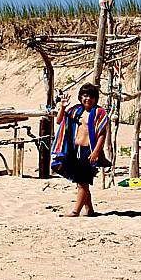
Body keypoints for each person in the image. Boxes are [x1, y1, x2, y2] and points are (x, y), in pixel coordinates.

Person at [51, 82, 109, 217]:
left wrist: (96, 152)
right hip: (74, 150)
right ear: (80, 97)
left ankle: (75, 211)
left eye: (90, 96)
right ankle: (89, 209)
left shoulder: (99, 113)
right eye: (84, 96)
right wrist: (62, 108)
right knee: (80, 182)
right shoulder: (76, 110)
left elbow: (102, 134)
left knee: (83, 182)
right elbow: (59, 121)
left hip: (88, 151)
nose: (87, 99)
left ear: (95, 98)